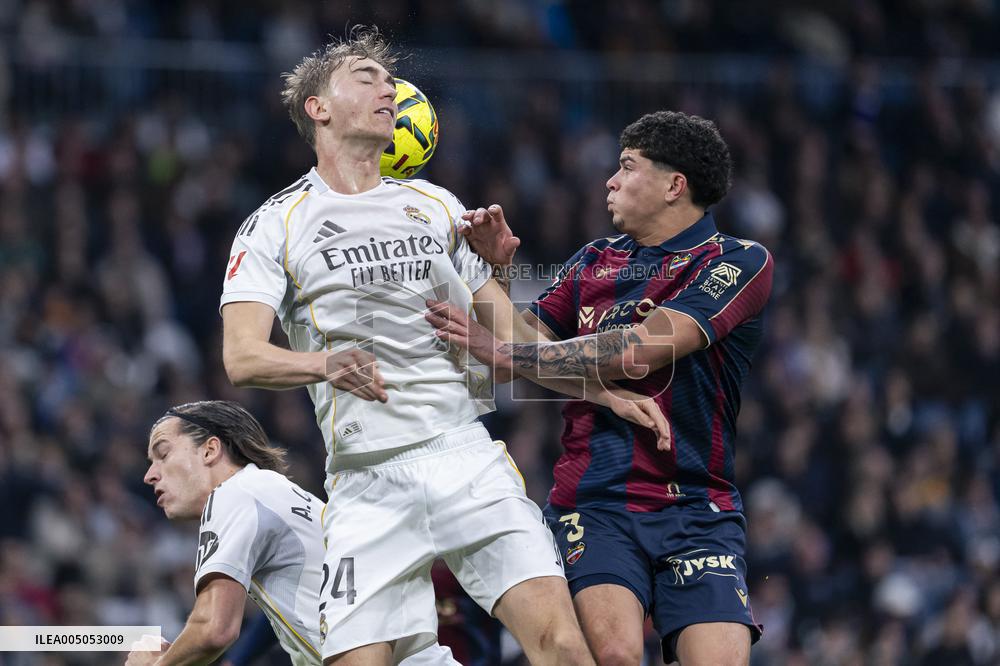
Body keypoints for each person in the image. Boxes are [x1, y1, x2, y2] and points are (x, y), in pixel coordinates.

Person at [218, 27, 667, 666]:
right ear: (317, 108)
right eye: (365, 77)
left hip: (462, 455)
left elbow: (509, 336)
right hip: (365, 478)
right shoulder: (275, 225)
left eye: (389, 79)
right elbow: (242, 357)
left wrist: (602, 392)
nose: (387, 88)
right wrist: (325, 362)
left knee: (564, 646)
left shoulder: (437, 208)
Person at [425, 110, 773, 665]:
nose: (610, 180)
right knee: (614, 656)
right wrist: (496, 270)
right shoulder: (594, 261)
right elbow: (522, 352)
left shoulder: (737, 261)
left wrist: (505, 352)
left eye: (627, 167)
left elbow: (638, 350)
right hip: (597, 502)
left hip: (697, 505)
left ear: (673, 185)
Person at [127, 400, 459, 666]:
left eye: (163, 453)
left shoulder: (233, 494)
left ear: (210, 450)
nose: (150, 475)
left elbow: (213, 629)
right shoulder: (268, 492)